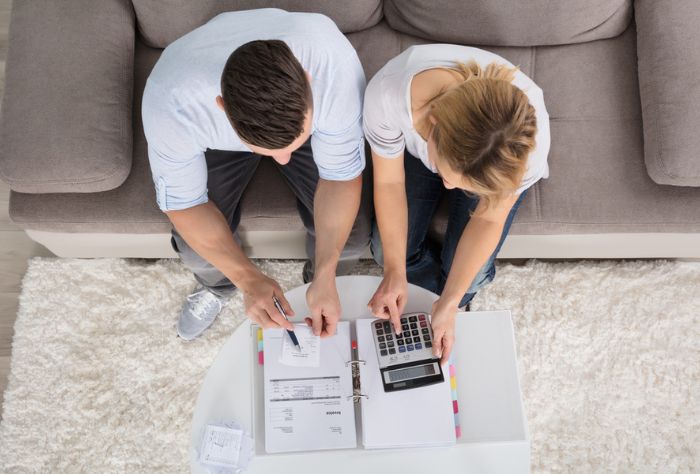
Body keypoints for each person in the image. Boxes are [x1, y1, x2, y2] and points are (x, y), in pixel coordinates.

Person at [142, 9, 369, 340]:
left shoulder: (335, 70)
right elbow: (185, 205)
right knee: (194, 249)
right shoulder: (171, 103)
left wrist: (326, 271)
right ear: (221, 106)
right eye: (269, 151)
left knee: (352, 237)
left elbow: (339, 178)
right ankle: (217, 287)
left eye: (291, 145)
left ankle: (319, 279)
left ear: (308, 80)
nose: (283, 159)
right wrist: (247, 278)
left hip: (312, 115)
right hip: (217, 137)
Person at [364, 44, 550, 363]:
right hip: (418, 150)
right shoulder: (388, 97)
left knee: (469, 279)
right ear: (433, 124)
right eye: (448, 176)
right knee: (386, 253)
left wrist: (450, 302)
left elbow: (489, 219)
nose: (450, 188)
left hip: (483, 164)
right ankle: (420, 281)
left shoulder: (522, 149)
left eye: (461, 185)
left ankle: (446, 296)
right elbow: (389, 182)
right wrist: (394, 271)